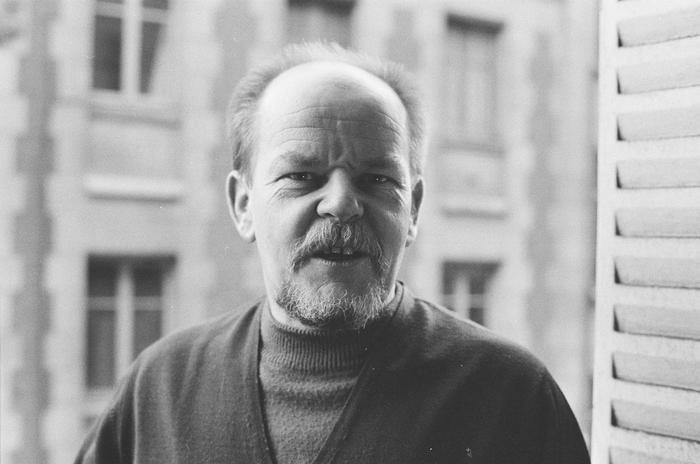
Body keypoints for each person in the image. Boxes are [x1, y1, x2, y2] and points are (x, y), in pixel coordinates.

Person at [75, 43, 590, 463]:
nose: (342, 204)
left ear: (412, 210)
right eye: (302, 176)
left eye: (377, 179)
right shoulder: (159, 390)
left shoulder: (511, 397)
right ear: (243, 205)